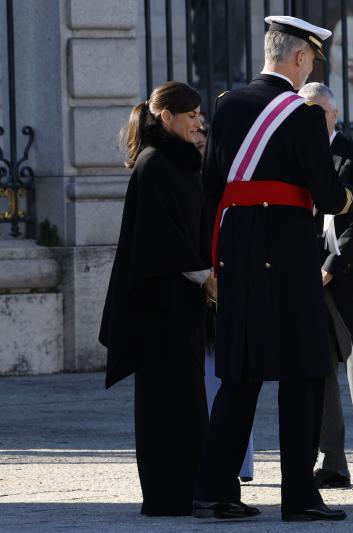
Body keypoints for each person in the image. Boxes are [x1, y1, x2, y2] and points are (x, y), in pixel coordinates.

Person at [193, 15, 353, 522]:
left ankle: (214, 490)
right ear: (302, 58)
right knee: (304, 375)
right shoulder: (303, 115)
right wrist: (352, 197)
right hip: (287, 259)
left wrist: (213, 260)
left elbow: (211, 192)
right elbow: (328, 194)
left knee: (239, 375)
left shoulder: (226, 106)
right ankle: (299, 497)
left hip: (237, 256)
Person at [99, 81, 212, 516]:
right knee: (166, 404)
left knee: (187, 400)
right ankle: (168, 495)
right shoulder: (153, 165)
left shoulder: (180, 164)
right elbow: (159, 239)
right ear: (166, 117)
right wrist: (204, 276)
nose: (198, 122)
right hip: (158, 309)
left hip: (182, 306)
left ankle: (192, 489)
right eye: (191, 116)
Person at [297, 82, 353, 493]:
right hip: (302, 276)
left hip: (347, 277)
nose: (311, 121)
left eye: (317, 113)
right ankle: (330, 461)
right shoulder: (292, 154)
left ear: (334, 114)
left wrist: (333, 265)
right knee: (317, 371)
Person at [194, 118, 256, 484]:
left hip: (226, 284)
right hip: (202, 285)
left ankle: (239, 465)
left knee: (230, 378)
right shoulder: (190, 181)